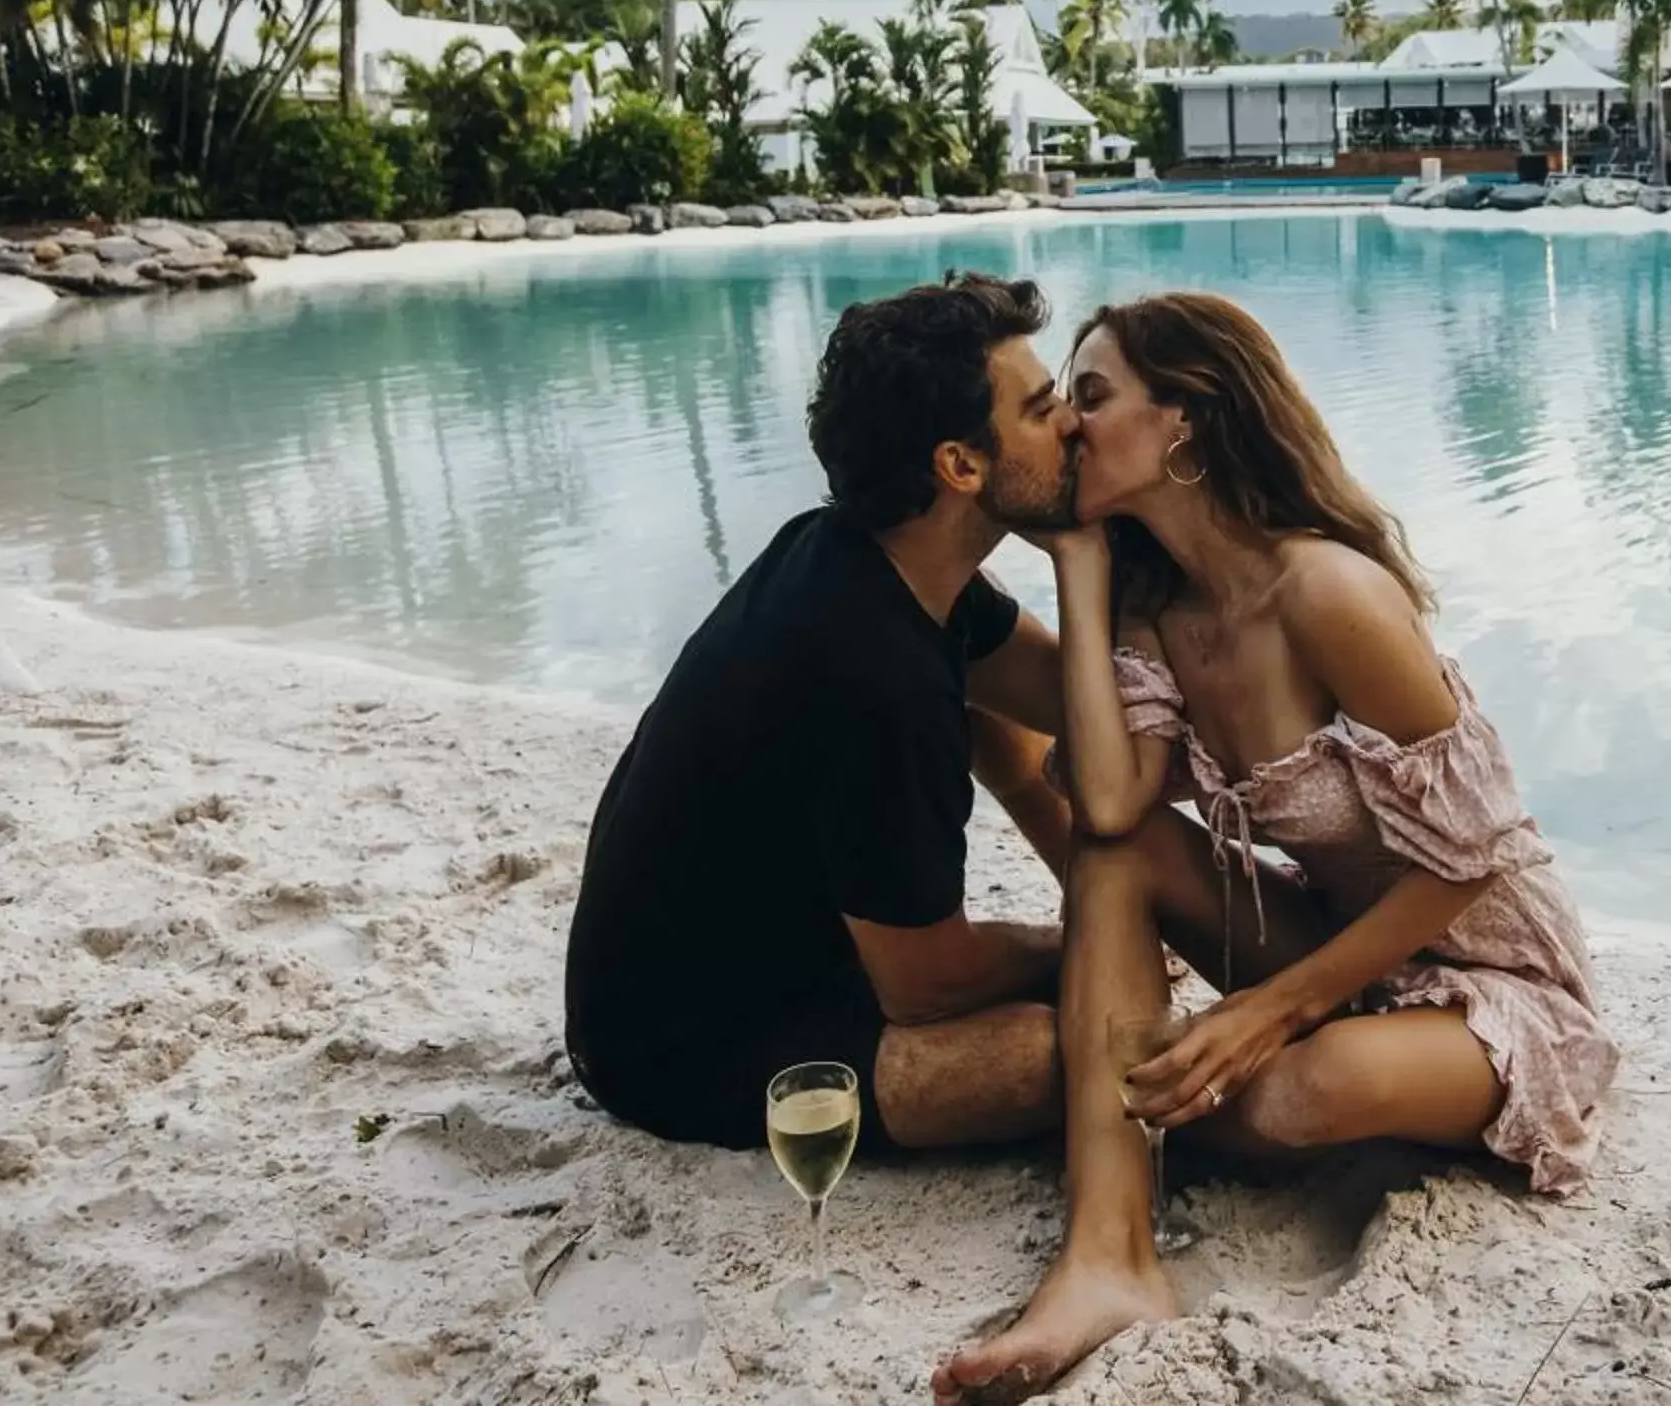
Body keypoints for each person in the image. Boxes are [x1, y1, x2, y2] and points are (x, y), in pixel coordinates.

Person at [935, 294, 1615, 1403]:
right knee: (1122, 855)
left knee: (1291, 1097)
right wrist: (1081, 565)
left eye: (1094, 397)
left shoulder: (1329, 592)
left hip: (1488, 969)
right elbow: (1110, 807)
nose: (1067, 425)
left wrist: (1267, 1007)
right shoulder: (1157, 611)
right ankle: (1108, 1256)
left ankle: (1164, 1100)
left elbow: (1474, 858)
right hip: (1337, 941)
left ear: (1185, 420)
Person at [563, 273, 1084, 1159]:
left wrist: (1094, 551)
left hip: (782, 960)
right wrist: (1073, 946)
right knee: (1052, 1056)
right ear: (960, 465)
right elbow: (928, 988)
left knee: (998, 719)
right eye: (1041, 410)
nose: (1073, 421)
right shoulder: (872, 671)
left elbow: (1076, 694)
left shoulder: (876, 560)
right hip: (680, 1044)